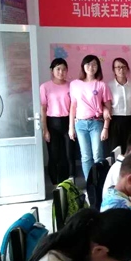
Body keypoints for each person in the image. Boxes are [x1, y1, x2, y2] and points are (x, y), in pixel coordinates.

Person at [69, 55, 112, 180]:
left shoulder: (101, 85)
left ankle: (99, 182)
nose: (91, 67)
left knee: (98, 155)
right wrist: (71, 127)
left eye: (94, 64)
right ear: (83, 66)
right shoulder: (75, 84)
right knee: (85, 156)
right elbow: (73, 106)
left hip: (96, 123)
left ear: (98, 67)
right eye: (88, 64)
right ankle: (90, 184)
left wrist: (106, 128)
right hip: (80, 124)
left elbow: (108, 108)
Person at [40, 57, 75, 185]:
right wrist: (45, 129)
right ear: (52, 70)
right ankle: (55, 183)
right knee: (54, 155)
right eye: (58, 69)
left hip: (67, 122)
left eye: (64, 69)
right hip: (52, 123)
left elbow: (73, 106)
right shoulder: (45, 87)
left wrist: (72, 126)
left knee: (68, 154)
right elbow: (43, 108)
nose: (61, 72)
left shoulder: (71, 86)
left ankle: (68, 182)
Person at [107, 57, 131, 154]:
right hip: (115, 121)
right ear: (114, 70)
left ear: (127, 68)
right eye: (118, 67)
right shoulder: (109, 86)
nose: (121, 69)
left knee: (130, 149)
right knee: (116, 150)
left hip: (130, 120)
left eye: (123, 67)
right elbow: (106, 104)